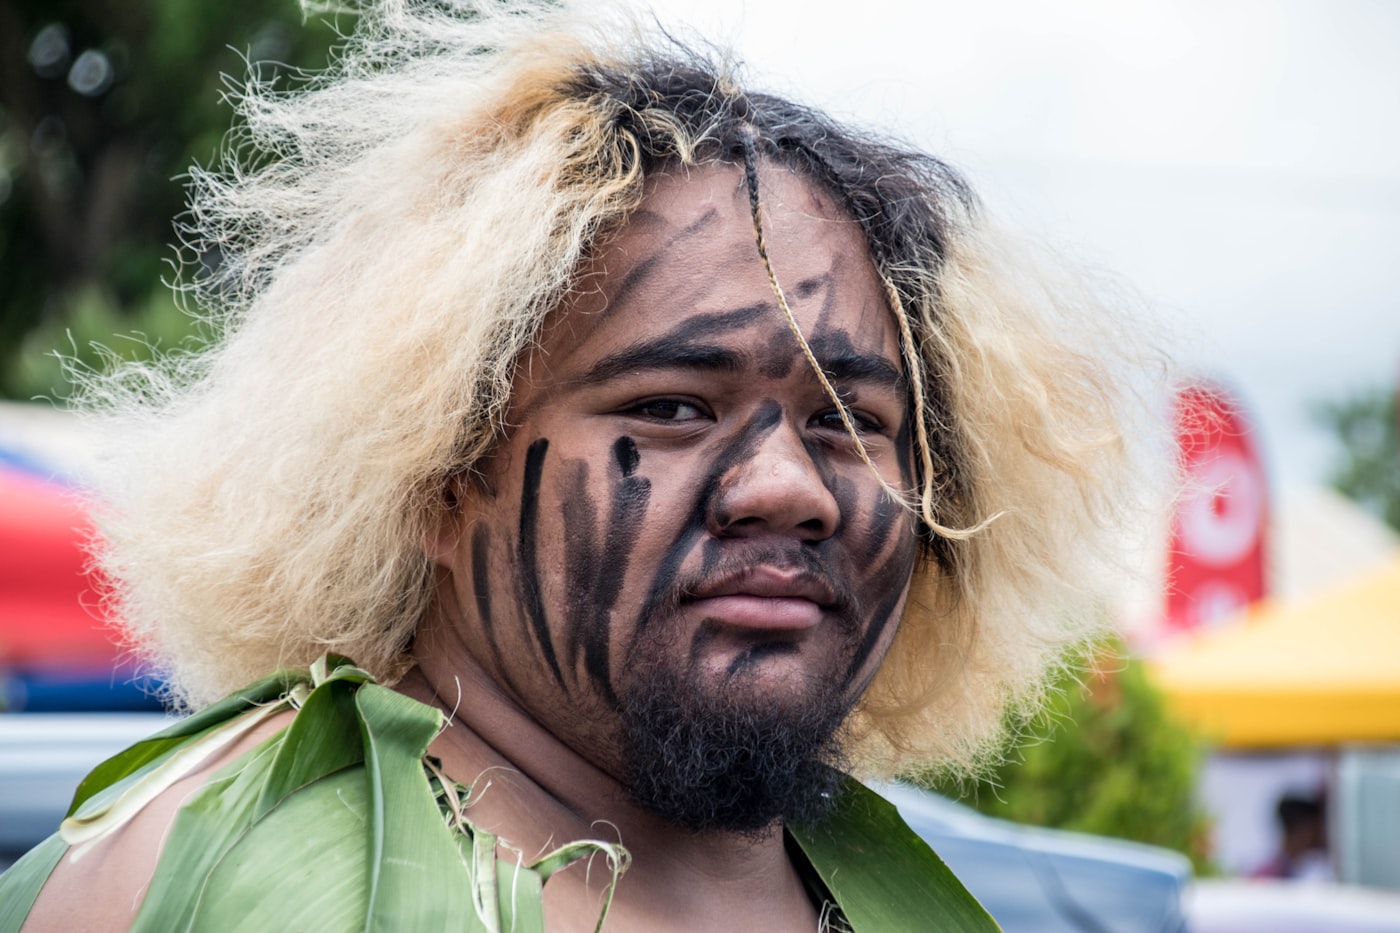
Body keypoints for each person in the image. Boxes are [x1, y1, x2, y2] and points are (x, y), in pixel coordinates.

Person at [1, 1, 1155, 929]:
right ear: (437, 478)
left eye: (848, 421)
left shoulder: (886, 894)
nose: (789, 489)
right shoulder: (237, 878)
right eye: (669, 406)